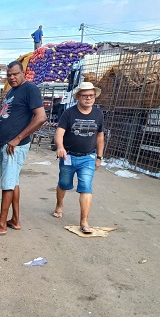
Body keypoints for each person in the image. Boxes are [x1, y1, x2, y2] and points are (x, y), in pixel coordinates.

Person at [0, 61, 46, 236]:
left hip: (15, 146)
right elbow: (7, 115)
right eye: (9, 75)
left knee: (7, 183)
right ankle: (15, 220)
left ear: (23, 73)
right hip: (6, 142)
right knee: (13, 181)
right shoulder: (12, 91)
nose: (12, 77)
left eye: (15, 74)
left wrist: (17, 138)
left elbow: (40, 117)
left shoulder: (30, 89)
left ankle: (1, 224)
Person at [53, 81, 105, 234]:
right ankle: (59, 204)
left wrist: (99, 157)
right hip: (68, 156)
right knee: (64, 184)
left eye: (91, 96)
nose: (88, 98)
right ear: (78, 97)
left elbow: (100, 136)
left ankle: (84, 221)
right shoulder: (68, 113)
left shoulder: (98, 114)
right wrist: (60, 147)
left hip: (88, 157)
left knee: (86, 187)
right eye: (85, 96)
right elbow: (59, 133)